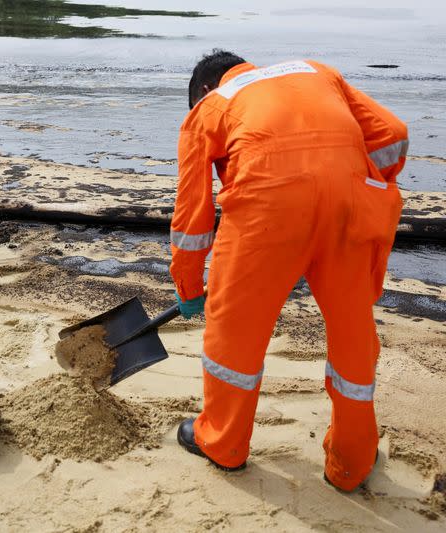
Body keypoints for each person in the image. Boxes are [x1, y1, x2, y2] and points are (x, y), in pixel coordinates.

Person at [170, 50, 407, 491]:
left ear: (204, 89)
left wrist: (188, 285)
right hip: (349, 208)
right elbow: (393, 134)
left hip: (266, 211)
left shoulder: (213, 105)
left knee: (234, 333)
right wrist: (365, 179)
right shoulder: (319, 71)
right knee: (353, 334)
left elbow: (192, 216)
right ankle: (351, 464)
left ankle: (223, 444)